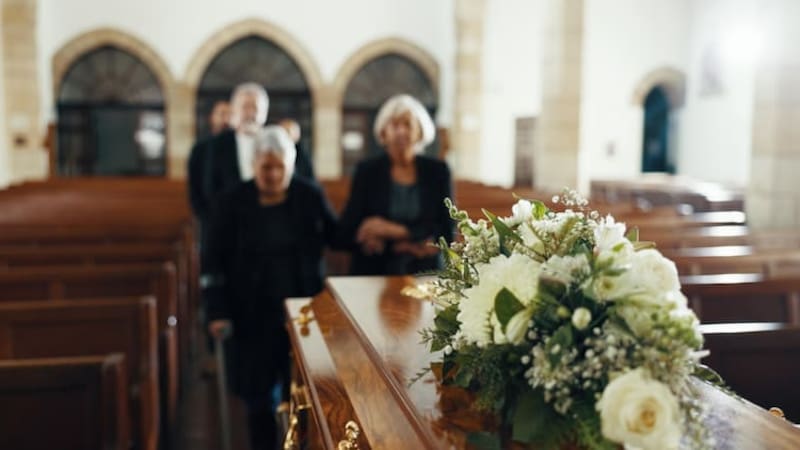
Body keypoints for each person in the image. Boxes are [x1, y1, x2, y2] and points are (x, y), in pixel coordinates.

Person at [202, 125, 338, 450]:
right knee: (258, 396)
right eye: (266, 167)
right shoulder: (230, 202)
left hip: (301, 310)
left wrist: (374, 231)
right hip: (249, 312)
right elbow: (212, 262)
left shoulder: (308, 194)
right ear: (253, 166)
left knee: (302, 393)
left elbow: (337, 233)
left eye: (280, 167)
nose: (274, 174)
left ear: (291, 166)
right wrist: (216, 312)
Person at [338, 94, 453, 275]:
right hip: (376, 268)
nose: (401, 131)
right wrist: (410, 240)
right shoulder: (367, 171)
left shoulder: (437, 171)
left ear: (420, 131)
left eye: (407, 124)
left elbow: (446, 229)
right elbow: (349, 228)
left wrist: (392, 231)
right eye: (394, 125)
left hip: (425, 269)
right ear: (384, 132)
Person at [207, 82, 270, 199]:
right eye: (245, 107)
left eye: (255, 107)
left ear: (265, 112)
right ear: (234, 110)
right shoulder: (216, 146)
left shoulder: (276, 142)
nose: (251, 113)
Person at [187, 100, 231, 224]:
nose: (226, 120)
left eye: (230, 115)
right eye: (222, 114)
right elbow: (194, 186)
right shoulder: (201, 148)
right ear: (212, 117)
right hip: (210, 215)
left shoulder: (237, 146)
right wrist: (203, 215)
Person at [278, 118, 316, 183]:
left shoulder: (303, 155)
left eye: (288, 133)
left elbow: (310, 179)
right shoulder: (272, 153)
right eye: (282, 133)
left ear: (297, 136)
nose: (284, 137)